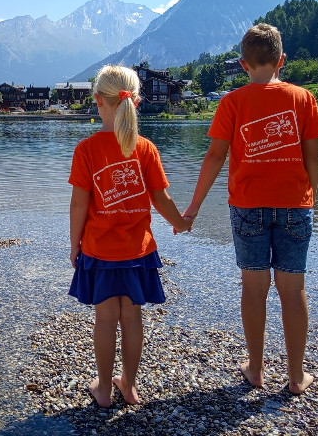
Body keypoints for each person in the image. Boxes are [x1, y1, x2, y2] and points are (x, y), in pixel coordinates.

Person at [183, 23, 318, 395]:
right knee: (293, 290)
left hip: (247, 207)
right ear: (282, 60)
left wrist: (193, 208)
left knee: (253, 287)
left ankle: (257, 369)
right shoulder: (303, 98)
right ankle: (296, 377)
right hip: (295, 206)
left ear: (244, 64)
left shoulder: (232, 102)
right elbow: (312, 158)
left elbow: (215, 156)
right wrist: (309, 197)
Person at [68, 65, 191, 408]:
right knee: (133, 319)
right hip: (138, 253)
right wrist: (181, 222)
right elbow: (161, 199)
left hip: (100, 252)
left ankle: (104, 390)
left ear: (97, 101)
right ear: (135, 102)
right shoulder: (146, 149)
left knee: (106, 320)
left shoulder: (87, 150)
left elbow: (78, 204)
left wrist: (75, 244)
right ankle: (130, 385)